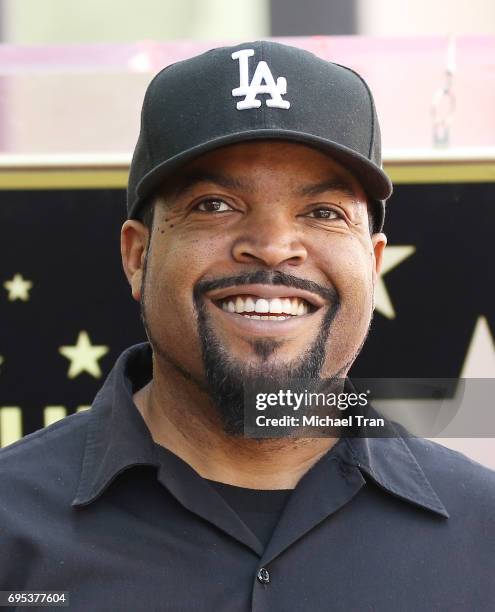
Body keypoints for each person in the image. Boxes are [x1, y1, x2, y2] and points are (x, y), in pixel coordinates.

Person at [0, 41, 494, 611]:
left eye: (323, 213)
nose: (273, 247)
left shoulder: (483, 536)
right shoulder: (12, 528)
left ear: (374, 263)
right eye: (214, 204)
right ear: (138, 256)